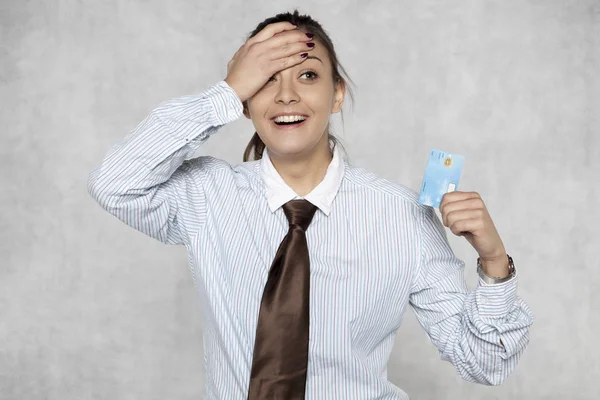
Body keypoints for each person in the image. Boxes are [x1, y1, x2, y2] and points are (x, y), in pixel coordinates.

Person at [87, 9, 534, 400]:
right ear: (245, 101)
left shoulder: (401, 215)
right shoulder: (206, 195)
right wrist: (224, 92)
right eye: (265, 79)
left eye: (307, 75)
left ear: (337, 94)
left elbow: (483, 364)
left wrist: (495, 262)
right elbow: (115, 184)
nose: (286, 96)